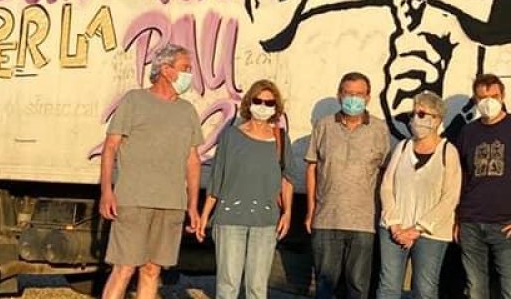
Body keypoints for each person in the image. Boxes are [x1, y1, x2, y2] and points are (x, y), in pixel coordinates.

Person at [98, 43, 204, 299]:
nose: (190, 74)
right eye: (185, 68)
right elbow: (110, 147)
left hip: (171, 204)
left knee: (152, 270)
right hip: (134, 200)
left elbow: (193, 160)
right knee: (124, 268)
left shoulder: (187, 111)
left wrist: (192, 205)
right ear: (166, 70)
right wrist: (106, 192)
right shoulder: (135, 100)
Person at [194, 80, 293, 299]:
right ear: (249, 102)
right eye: (258, 100)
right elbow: (217, 178)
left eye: (269, 102)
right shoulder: (231, 136)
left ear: (276, 107)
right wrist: (204, 216)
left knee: (257, 288)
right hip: (229, 219)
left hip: (265, 221)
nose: (263, 106)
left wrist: (287, 213)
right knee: (228, 286)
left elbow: (287, 179)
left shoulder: (280, 139)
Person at [454, 73, 511, 299]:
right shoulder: (468, 132)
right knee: (475, 287)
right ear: (475, 100)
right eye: (482, 97)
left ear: (503, 96)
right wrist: (457, 217)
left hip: (507, 224)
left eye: (493, 96)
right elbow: (461, 176)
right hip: (471, 222)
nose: (488, 102)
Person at [305, 72, 390, 299]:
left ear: (368, 97)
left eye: (359, 94)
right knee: (324, 287)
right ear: (339, 95)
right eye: (349, 93)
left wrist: (382, 212)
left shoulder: (379, 129)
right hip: (327, 219)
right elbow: (312, 168)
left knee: (358, 288)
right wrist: (311, 210)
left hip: (364, 223)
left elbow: (385, 173)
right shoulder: (323, 126)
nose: (354, 99)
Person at [377, 92, 462, 299]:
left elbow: (450, 197)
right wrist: (395, 223)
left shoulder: (448, 151)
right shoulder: (403, 147)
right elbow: (387, 185)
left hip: (431, 232)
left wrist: (417, 229)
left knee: (424, 289)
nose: (416, 119)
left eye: (422, 114)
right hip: (394, 228)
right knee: (388, 286)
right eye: (414, 114)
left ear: (437, 119)